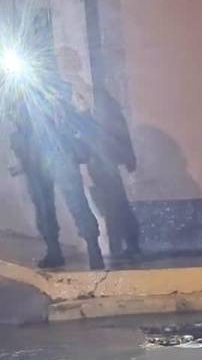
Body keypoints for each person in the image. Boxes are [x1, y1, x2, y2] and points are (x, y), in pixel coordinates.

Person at [8, 83, 104, 270]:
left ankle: (83, 250)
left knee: (63, 205)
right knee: (59, 206)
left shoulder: (48, 92)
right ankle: (85, 251)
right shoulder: (49, 92)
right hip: (47, 157)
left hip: (52, 156)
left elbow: (73, 120)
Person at [79, 87, 141, 259]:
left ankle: (119, 246)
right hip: (105, 165)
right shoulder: (108, 111)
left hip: (103, 165)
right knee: (117, 204)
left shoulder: (99, 114)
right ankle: (128, 244)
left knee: (113, 206)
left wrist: (84, 115)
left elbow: (96, 138)